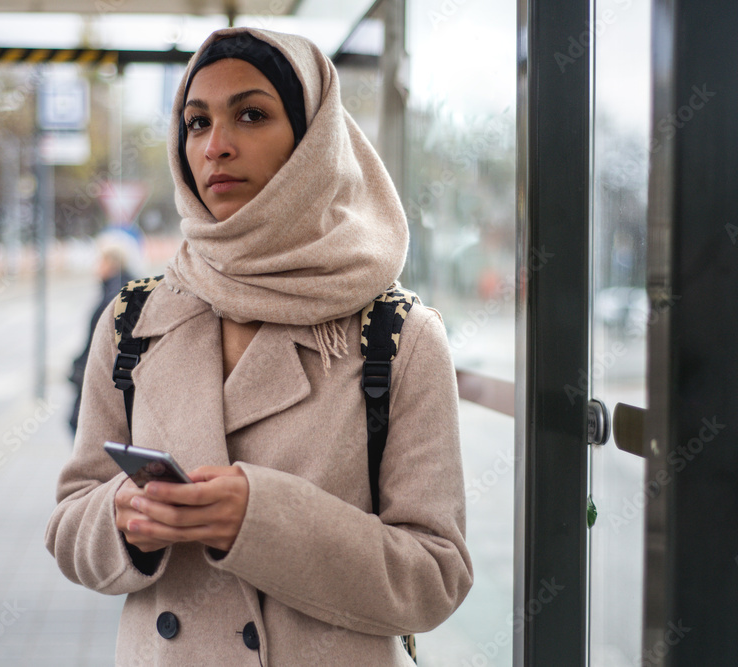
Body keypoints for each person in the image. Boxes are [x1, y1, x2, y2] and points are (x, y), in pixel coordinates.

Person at [45, 26, 472, 666]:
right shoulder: (131, 319)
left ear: (312, 140)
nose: (215, 146)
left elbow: (435, 576)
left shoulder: (399, 336)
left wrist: (261, 518)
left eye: (251, 114)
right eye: (195, 122)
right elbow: (69, 522)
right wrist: (123, 518)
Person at [67, 230, 141, 434]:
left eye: (98, 259)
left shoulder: (112, 298)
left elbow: (97, 347)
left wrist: (77, 373)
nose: (95, 264)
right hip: (120, 388)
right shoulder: (132, 288)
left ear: (110, 262)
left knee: (83, 431)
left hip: (105, 387)